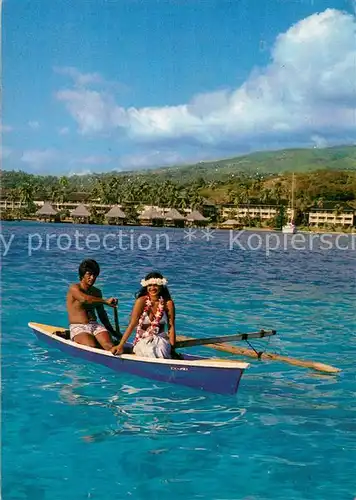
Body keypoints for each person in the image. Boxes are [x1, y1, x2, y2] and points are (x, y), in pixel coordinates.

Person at [111, 272, 176, 358]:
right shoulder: (141, 301)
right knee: (149, 349)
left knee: (160, 348)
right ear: (146, 286)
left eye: (156, 285)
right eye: (150, 285)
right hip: (142, 340)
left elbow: (171, 327)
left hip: (161, 340)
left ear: (161, 286)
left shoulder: (168, 303)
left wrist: (172, 349)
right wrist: (120, 345)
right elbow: (132, 324)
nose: (152, 288)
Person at [66, 259, 120, 350]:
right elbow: (84, 299)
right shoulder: (74, 288)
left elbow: (102, 316)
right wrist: (105, 301)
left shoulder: (97, 292)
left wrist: (113, 332)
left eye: (94, 275)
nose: (92, 277)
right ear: (82, 274)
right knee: (91, 346)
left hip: (95, 325)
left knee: (110, 346)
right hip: (78, 326)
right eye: (89, 274)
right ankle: (70, 334)